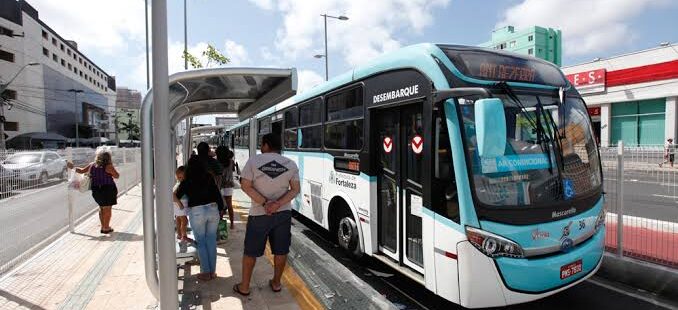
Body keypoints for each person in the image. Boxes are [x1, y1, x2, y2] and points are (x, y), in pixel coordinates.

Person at [234, 133, 300, 296]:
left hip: (258, 214)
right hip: (283, 214)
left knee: (251, 251)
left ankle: (244, 287)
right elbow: (295, 189)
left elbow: (245, 186)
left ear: (265, 145)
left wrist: (265, 203)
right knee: (281, 250)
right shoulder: (291, 164)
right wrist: (277, 204)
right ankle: (276, 283)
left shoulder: (253, 161)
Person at [175, 156, 224, 281]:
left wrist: (180, 205)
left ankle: (206, 272)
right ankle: (212, 272)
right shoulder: (208, 176)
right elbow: (217, 193)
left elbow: (175, 195)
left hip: (197, 212)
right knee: (211, 241)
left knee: (201, 241)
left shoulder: (187, 180)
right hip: (213, 209)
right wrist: (221, 208)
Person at [68, 149, 119, 234]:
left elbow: (81, 171)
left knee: (102, 208)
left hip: (96, 190)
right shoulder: (108, 166)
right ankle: (106, 228)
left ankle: (103, 226)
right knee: (107, 209)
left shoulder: (92, 165)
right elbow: (117, 176)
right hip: (108, 189)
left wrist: (72, 167)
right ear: (108, 158)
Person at [216, 145, 236, 229]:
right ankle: (232, 224)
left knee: (220, 206)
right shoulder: (231, 162)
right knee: (229, 205)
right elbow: (233, 170)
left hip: (219, 186)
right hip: (229, 185)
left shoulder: (216, 162)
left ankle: (220, 223)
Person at [173, 166, 190, 242]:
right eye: (179, 177)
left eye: (182, 177)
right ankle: (184, 236)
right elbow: (172, 194)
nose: (181, 179)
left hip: (178, 204)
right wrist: (179, 203)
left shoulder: (178, 183)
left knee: (178, 219)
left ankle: (179, 234)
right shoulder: (180, 184)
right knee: (185, 220)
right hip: (180, 203)